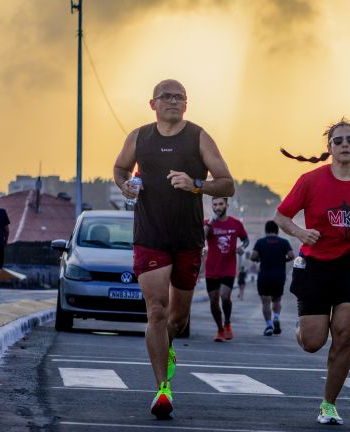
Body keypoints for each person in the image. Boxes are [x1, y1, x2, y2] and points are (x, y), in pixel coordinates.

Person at [113, 79, 234, 420]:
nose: (172, 101)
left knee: (177, 320)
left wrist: (196, 184)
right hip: (149, 235)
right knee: (156, 310)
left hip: (187, 239)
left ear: (186, 104)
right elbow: (121, 167)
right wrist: (125, 186)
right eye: (165, 96)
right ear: (152, 104)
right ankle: (162, 388)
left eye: (179, 97)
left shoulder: (198, 137)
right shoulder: (138, 137)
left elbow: (228, 184)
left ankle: (168, 348)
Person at [275, 119, 350, 425]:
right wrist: (300, 233)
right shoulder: (310, 180)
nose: (344, 145)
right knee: (314, 342)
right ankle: (301, 330)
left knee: (344, 335)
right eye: (338, 141)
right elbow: (281, 216)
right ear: (328, 148)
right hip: (315, 264)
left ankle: (329, 404)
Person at [204, 197, 249, 342]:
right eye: (215, 204)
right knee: (213, 300)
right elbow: (201, 238)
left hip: (228, 267)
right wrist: (210, 224)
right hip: (211, 268)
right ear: (212, 206)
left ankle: (227, 322)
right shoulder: (208, 223)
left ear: (226, 205)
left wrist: (242, 247)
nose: (218, 207)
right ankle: (220, 329)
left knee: (225, 296)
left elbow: (245, 239)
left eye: (220, 204)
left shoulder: (236, 224)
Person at [250, 220, 294, 336]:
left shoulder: (260, 242)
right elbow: (291, 256)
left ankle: (269, 325)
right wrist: (282, 260)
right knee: (277, 300)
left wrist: (259, 259)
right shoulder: (284, 242)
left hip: (264, 275)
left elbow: (253, 256)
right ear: (277, 230)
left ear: (266, 230)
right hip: (279, 276)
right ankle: (276, 317)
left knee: (265, 302)